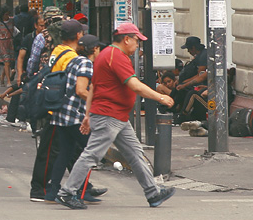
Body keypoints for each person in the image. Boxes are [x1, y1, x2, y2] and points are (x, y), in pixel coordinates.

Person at [57, 22, 176, 210]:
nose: (137, 46)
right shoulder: (116, 57)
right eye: (136, 41)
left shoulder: (106, 55)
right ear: (126, 39)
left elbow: (95, 88)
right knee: (92, 155)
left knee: (135, 153)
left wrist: (88, 115)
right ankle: (67, 192)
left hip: (115, 115)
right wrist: (161, 96)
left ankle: (153, 193)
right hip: (109, 115)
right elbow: (135, 86)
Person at [28, 21, 92, 202]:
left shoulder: (58, 50)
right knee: (51, 150)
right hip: (62, 107)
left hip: (55, 104)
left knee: (68, 149)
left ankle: (80, 186)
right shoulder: (71, 56)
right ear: (78, 36)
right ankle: (39, 188)